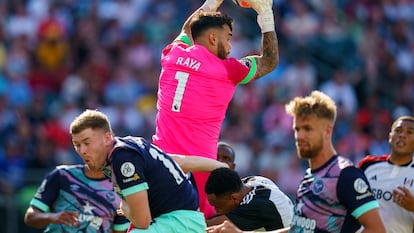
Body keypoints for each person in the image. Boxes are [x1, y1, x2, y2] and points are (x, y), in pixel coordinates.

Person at [152, 0, 279, 218]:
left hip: (159, 161)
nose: (230, 47)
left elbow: (187, 29)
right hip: (201, 172)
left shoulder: (172, 54)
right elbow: (269, 61)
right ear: (213, 38)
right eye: (228, 38)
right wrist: (265, 15)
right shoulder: (227, 69)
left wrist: (214, 1)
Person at [207, 91, 386, 233]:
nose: (300, 136)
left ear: (327, 131)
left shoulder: (345, 175)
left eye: (308, 129)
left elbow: (377, 229)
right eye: (297, 129)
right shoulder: (308, 179)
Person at [69, 109, 228, 232]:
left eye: (87, 142)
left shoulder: (123, 160)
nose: (82, 150)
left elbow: (142, 221)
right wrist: (222, 168)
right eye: (77, 145)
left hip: (176, 223)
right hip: (183, 222)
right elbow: (179, 161)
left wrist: (125, 207)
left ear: (107, 137)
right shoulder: (129, 145)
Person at [24, 165, 129, 232]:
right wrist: (51, 217)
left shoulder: (120, 189)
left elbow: (119, 230)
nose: (84, 150)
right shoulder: (62, 175)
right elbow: (30, 217)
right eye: (79, 144)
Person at [358, 115, 414, 233]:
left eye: (409, 132)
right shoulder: (367, 165)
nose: (402, 135)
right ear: (390, 137)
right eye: (398, 131)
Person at [205, 167, 294, 231]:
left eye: (218, 206)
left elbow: (207, 226)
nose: (217, 211)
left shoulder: (259, 205)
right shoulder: (252, 182)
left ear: (234, 198)